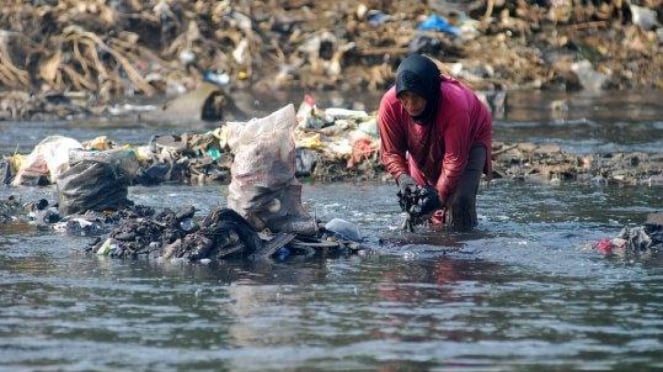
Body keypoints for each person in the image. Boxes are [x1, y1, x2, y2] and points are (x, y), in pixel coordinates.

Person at [377, 54, 492, 232]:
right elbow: (390, 153)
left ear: (430, 92)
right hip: (419, 139)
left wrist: (438, 197)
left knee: (460, 201)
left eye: (416, 97)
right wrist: (403, 178)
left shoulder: (455, 105)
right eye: (404, 97)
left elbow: (454, 161)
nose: (410, 105)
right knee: (418, 204)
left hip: (471, 137)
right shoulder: (390, 105)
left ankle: (464, 253)